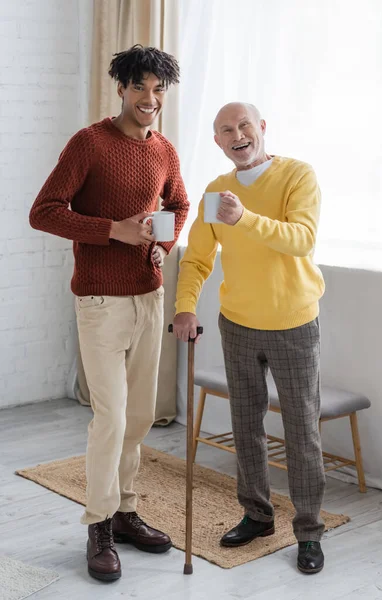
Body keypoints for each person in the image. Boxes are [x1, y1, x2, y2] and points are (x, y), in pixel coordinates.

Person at [29, 45, 189, 582]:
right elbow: (44, 211)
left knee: (140, 416)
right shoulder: (89, 143)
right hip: (100, 299)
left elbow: (179, 204)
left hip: (150, 295)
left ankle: (125, 511)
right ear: (121, 88)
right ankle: (98, 523)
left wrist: (162, 244)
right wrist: (113, 229)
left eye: (158, 90)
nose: (150, 99)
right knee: (112, 418)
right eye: (140, 87)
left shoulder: (164, 149)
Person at [172, 102, 326, 575]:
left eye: (244, 126)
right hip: (237, 323)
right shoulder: (214, 191)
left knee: (301, 431)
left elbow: (301, 239)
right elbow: (197, 259)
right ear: (217, 141)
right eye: (225, 130)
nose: (237, 135)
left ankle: (308, 531)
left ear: (261, 129)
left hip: (293, 323)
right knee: (246, 426)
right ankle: (257, 515)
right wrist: (184, 306)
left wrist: (245, 220)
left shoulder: (298, 175)